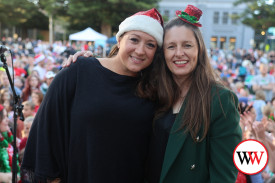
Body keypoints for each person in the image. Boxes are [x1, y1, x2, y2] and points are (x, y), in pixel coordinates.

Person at [65, 5, 242, 183]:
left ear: (200, 50)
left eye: (187, 45)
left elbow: (224, 176)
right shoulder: (151, 89)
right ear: (162, 53)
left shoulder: (220, 99)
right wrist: (91, 61)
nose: (179, 53)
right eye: (171, 46)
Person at [21, 8, 164, 183]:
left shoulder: (155, 89)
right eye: (134, 40)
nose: (141, 50)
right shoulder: (79, 70)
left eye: (150, 44)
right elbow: (47, 129)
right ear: (119, 40)